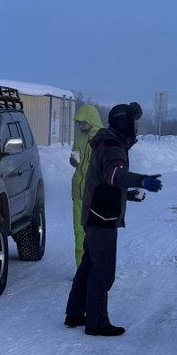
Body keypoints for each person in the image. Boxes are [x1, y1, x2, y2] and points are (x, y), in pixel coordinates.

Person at [64, 101, 162, 336]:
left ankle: (75, 314)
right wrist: (141, 180)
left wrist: (125, 195)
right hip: (101, 217)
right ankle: (96, 322)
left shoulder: (109, 141)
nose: (137, 126)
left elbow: (103, 181)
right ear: (124, 122)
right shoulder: (112, 145)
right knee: (103, 269)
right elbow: (114, 174)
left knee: (89, 264)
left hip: (98, 210)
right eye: (135, 121)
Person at [69, 102, 102, 267]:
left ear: (91, 120)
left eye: (83, 122)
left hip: (95, 195)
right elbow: (74, 156)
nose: (80, 126)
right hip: (78, 193)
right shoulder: (80, 137)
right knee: (79, 233)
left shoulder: (102, 139)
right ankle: (80, 269)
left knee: (95, 234)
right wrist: (72, 160)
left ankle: (95, 269)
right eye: (78, 123)